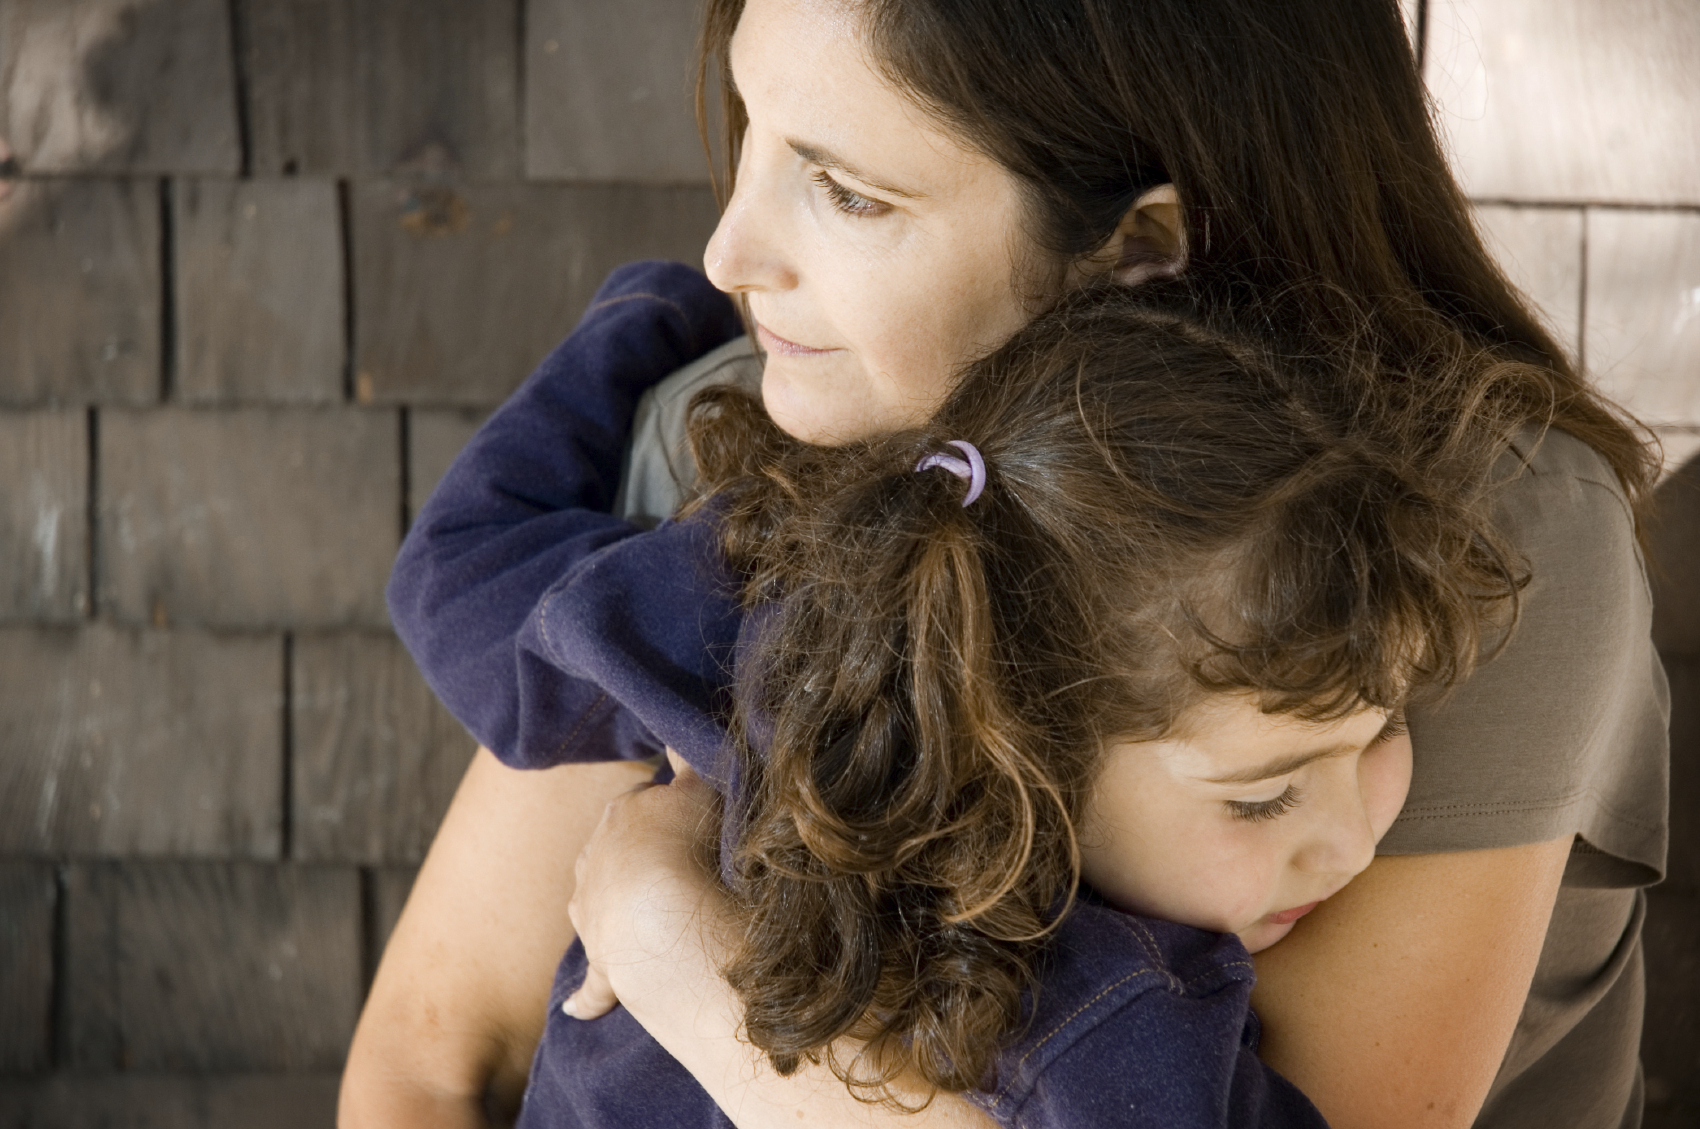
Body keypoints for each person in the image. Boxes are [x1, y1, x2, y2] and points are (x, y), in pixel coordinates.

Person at [340, 0, 1666, 1126]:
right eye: (757, 137)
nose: (729, 257)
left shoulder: (1462, 529)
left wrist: (666, 930)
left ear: (1134, 253)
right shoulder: (774, 425)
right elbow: (437, 1050)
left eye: (847, 190)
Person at [401, 260, 1523, 1127]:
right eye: (1261, 797)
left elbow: (453, 581)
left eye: (1382, 731)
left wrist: (648, 315)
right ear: (1019, 740)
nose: (1348, 844)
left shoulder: (734, 634)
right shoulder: (1112, 1024)